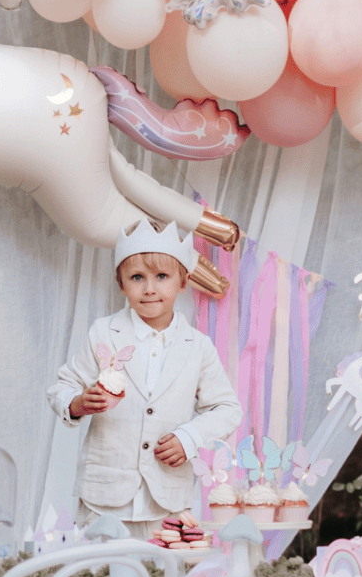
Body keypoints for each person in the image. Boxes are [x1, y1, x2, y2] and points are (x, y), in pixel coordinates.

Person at [47, 219, 242, 540]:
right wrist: (79, 403)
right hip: (104, 497)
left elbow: (227, 408)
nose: (149, 288)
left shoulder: (198, 346)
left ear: (183, 282)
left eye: (162, 276)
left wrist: (189, 438)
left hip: (166, 500)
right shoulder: (103, 332)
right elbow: (61, 389)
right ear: (121, 284)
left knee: (161, 576)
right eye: (137, 278)